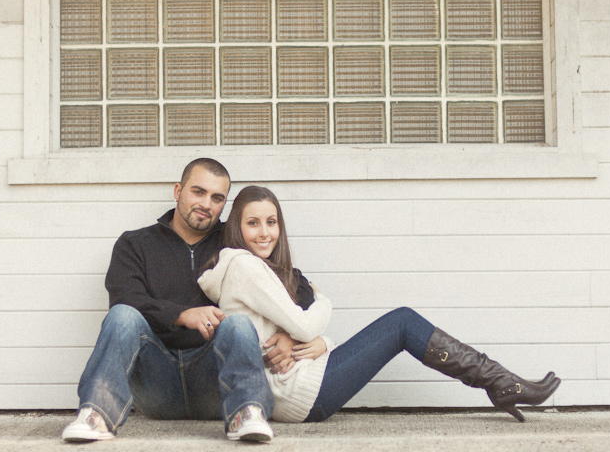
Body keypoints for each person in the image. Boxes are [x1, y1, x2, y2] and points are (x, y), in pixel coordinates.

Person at [198, 185, 561, 424]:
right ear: (236, 229)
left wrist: (324, 343)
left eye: (272, 222)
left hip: (303, 383)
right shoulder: (244, 265)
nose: (265, 232)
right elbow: (306, 326)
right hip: (297, 395)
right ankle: (501, 383)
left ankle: (502, 383)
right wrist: (323, 300)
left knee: (401, 322)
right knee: (402, 323)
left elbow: (300, 336)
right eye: (253, 223)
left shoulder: (258, 270)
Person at [62, 159, 315, 443]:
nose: (207, 204)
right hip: (156, 384)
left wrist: (289, 335)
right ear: (178, 191)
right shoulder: (135, 243)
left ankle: (247, 413)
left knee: (238, 324)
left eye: (217, 198)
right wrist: (182, 314)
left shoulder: (233, 243)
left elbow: (298, 287)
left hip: (215, 383)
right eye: (198, 192)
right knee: (122, 315)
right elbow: (125, 298)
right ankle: (96, 415)